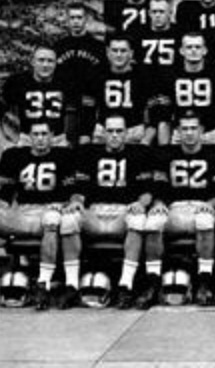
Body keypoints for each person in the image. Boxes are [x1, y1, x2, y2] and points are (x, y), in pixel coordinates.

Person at [0, 122, 81, 309]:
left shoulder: (64, 156)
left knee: (51, 219)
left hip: (49, 210)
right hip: (22, 212)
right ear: (28, 137)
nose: (40, 138)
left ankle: (44, 283)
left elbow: (73, 189)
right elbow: (6, 193)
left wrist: (68, 203)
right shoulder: (15, 156)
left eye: (44, 134)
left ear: (52, 136)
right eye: (36, 134)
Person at [134, 113, 215, 309]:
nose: (189, 133)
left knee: (205, 219)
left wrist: (210, 204)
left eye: (193, 128)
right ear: (177, 132)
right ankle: (153, 281)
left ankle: (205, 280)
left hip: (200, 205)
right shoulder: (165, 154)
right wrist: (159, 203)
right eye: (184, 129)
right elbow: (159, 186)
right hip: (175, 208)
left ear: (202, 131)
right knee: (153, 221)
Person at [72, 115, 156, 309]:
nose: (115, 136)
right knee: (68, 220)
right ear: (103, 133)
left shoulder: (138, 154)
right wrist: (76, 202)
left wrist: (141, 204)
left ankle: (125, 285)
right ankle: (69, 284)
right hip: (95, 210)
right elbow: (80, 189)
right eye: (110, 131)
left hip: (123, 210)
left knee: (138, 219)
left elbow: (147, 190)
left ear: (127, 133)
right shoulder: (89, 154)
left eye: (119, 131)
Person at [153, 31, 215, 146]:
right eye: (189, 47)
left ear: (205, 50)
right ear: (181, 51)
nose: (193, 50)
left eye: (198, 47)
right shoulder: (170, 76)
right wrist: (164, 148)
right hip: (180, 135)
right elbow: (164, 117)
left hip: (211, 134)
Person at [0, 44, 73, 146]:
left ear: (56, 63)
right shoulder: (18, 81)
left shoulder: (65, 82)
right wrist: (2, 141)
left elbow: (77, 111)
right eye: (41, 60)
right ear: (32, 62)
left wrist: (70, 139)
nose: (45, 65)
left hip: (57, 140)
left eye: (50, 61)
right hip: (28, 141)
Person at [53, 1, 106, 104]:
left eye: (79, 17)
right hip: (65, 101)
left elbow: (103, 74)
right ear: (67, 20)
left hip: (92, 101)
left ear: (85, 19)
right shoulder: (59, 46)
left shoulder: (98, 46)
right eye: (72, 18)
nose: (76, 21)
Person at [133, 0, 180, 73]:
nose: (157, 15)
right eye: (154, 12)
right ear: (149, 13)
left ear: (170, 13)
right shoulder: (139, 34)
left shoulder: (179, 34)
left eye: (161, 12)